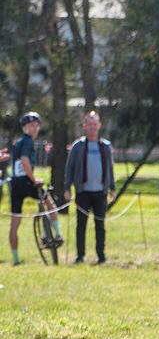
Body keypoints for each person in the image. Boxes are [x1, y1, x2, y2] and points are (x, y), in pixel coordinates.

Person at [9, 111, 63, 265]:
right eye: (30, 126)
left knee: (15, 222)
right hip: (26, 181)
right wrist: (34, 179)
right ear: (25, 128)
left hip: (15, 183)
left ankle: (15, 259)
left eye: (36, 125)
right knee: (50, 203)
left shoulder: (18, 143)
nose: (34, 128)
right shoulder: (27, 142)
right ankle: (58, 234)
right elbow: (25, 161)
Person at [64, 110, 115, 264]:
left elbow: (110, 169)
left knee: (100, 225)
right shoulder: (78, 146)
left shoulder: (105, 146)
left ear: (99, 126)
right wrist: (67, 188)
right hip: (83, 192)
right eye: (89, 124)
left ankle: (101, 256)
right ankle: (80, 256)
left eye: (95, 124)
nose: (92, 127)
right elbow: (69, 168)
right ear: (84, 126)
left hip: (100, 192)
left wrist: (112, 187)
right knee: (81, 225)